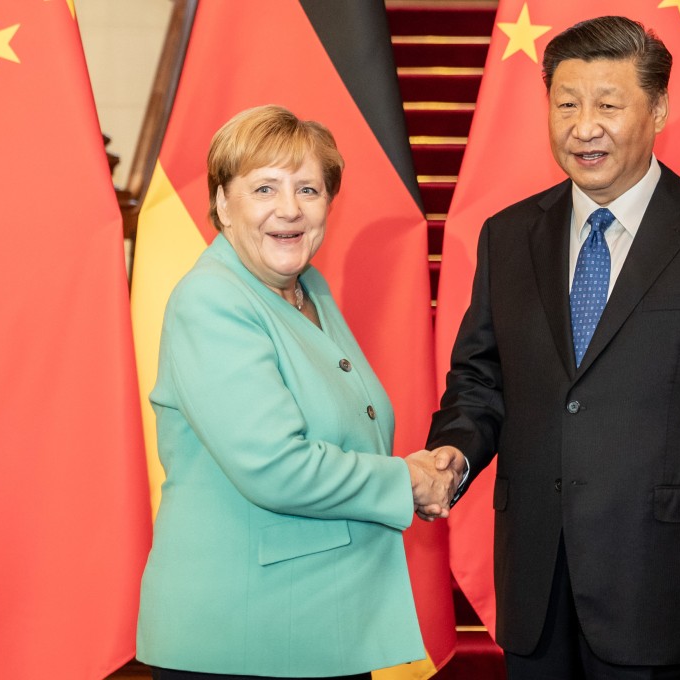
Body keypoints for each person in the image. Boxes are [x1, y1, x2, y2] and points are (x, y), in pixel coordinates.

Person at [426, 16, 680, 680]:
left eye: (608, 105)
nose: (584, 127)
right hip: (538, 587)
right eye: (567, 104)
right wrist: (455, 450)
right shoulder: (509, 236)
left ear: (658, 108)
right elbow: (482, 375)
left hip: (671, 587)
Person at [136, 105, 454, 680]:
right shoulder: (213, 301)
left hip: (318, 627)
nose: (289, 209)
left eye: (308, 188)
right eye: (264, 188)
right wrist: (405, 480)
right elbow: (277, 466)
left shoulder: (307, 289)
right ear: (222, 204)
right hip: (242, 638)